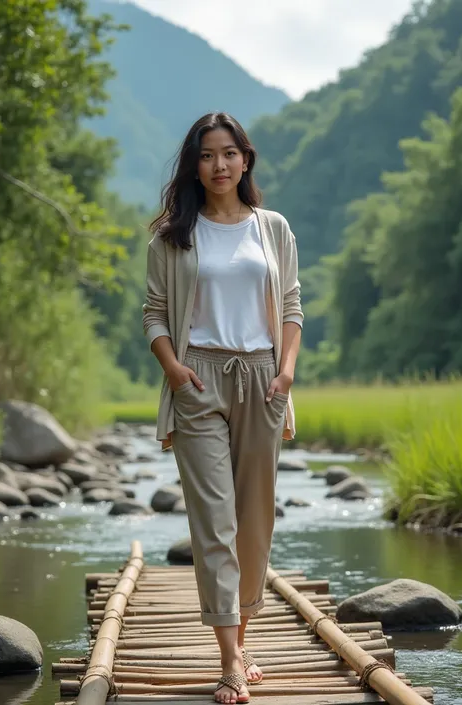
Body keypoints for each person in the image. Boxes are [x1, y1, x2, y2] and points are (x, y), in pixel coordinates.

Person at [143, 112, 303, 704]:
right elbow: (155, 312)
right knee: (215, 522)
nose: (219, 165)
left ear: (245, 158)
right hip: (199, 381)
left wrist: (285, 373)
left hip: (263, 379)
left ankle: (245, 630)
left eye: (229, 153)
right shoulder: (173, 235)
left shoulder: (273, 228)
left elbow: (291, 306)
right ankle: (230, 658)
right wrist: (175, 371)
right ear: (195, 164)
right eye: (207, 155)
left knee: (255, 519)